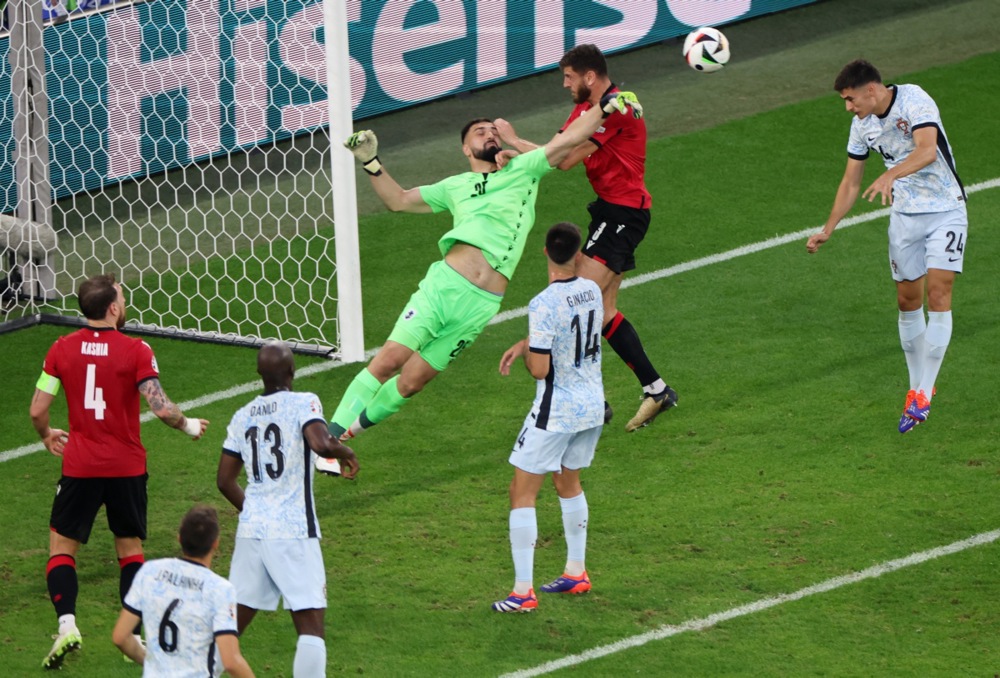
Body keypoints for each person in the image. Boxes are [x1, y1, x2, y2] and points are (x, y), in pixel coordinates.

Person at [323, 90, 642, 458]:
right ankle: (327, 443)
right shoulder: (454, 187)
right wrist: (371, 162)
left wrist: (603, 107)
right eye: (479, 131)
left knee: (411, 383)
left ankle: (346, 436)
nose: (489, 134)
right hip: (443, 289)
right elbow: (398, 200)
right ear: (465, 148)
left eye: (493, 130)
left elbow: (568, 140)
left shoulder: (526, 170)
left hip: (481, 305)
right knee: (389, 361)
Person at [29, 272, 209, 670]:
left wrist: (46, 435)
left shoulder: (60, 348)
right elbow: (160, 407)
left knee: (62, 548)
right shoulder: (136, 350)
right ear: (112, 308)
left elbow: (38, 410)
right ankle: (134, 634)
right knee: (130, 551)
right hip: (127, 467)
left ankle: (67, 626)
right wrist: (190, 425)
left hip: (81, 466)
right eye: (122, 298)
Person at [493, 43, 676, 433]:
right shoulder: (586, 109)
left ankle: (588, 404)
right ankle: (657, 390)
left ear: (589, 77)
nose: (565, 84)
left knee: (570, 301)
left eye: (569, 77)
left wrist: (513, 141)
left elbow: (563, 159)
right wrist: (522, 154)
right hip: (612, 213)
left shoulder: (618, 108)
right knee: (604, 312)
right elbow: (553, 153)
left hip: (624, 215)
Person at [806, 60, 967, 434]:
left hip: (946, 210)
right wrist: (828, 228)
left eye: (850, 99)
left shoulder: (915, 99)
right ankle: (915, 388)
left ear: (872, 90)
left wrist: (891, 173)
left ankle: (924, 394)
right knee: (908, 301)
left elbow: (927, 149)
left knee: (939, 293)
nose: (848, 107)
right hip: (905, 219)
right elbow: (850, 183)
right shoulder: (861, 126)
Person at [216, 341, 359, 678]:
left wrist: (256, 510)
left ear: (259, 375)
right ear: (292, 372)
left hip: (252, 530)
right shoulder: (303, 402)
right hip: (293, 531)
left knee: (231, 625)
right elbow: (321, 442)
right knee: (310, 624)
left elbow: (224, 481)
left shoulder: (241, 416)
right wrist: (346, 452)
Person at [492, 222, 605, 613]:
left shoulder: (542, 303)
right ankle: (576, 571)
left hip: (555, 411)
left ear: (544, 252)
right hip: (591, 405)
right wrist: (527, 339)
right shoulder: (591, 288)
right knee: (568, 482)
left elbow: (540, 370)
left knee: (520, 493)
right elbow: (572, 330)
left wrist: (527, 350)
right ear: (578, 255)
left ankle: (522, 592)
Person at [112, 505, 255, 677]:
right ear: (215, 544)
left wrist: (151, 663)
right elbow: (231, 661)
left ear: (179, 538)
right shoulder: (219, 590)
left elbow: (120, 637)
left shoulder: (149, 572)